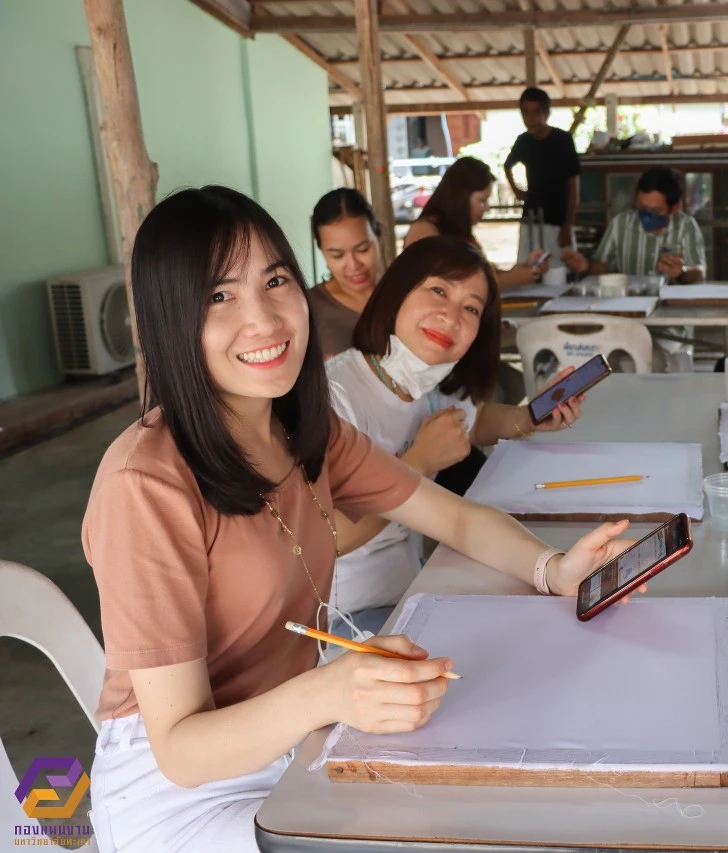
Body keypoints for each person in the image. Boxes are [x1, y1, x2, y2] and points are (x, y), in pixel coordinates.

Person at [82, 186, 637, 852]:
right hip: (178, 793)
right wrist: (329, 692)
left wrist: (554, 567)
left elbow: (453, 519)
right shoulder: (145, 482)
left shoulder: (305, 428)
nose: (263, 320)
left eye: (276, 280)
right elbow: (181, 749)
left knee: (476, 804)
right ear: (170, 318)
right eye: (219, 296)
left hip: (293, 741)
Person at [326, 235, 588, 637]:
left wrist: (528, 419)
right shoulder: (336, 394)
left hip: (417, 591)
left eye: (471, 308)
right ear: (396, 291)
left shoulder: (427, 384)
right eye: (438, 290)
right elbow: (328, 539)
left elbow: (472, 425)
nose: (451, 316)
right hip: (345, 617)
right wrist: (418, 464)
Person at [403, 156, 549, 290]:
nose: (486, 208)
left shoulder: (461, 233)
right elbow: (448, 286)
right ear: (462, 197)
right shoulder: (425, 231)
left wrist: (525, 269)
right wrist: (511, 278)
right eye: (482, 200)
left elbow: (484, 273)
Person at [562, 166, 706, 283]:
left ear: (674, 207)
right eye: (642, 206)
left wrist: (681, 273)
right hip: (628, 302)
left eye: (656, 210)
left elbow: (699, 273)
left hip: (671, 303)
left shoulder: (686, 226)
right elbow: (602, 265)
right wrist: (585, 267)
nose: (647, 214)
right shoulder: (620, 224)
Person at [505, 87, 580, 268]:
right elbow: (507, 165)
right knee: (527, 270)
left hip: (558, 219)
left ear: (546, 113)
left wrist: (567, 225)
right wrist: (517, 191)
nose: (531, 119)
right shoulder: (523, 141)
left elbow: (573, 185)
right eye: (526, 112)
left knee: (562, 270)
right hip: (531, 217)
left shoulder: (563, 140)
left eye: (536, 112)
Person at [308, 188, 385, 357]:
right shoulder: (309, 309)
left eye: (363, 249)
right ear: (322, 251)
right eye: (337, 255)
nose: (353, 265)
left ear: (378, 234)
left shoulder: (404, 294)